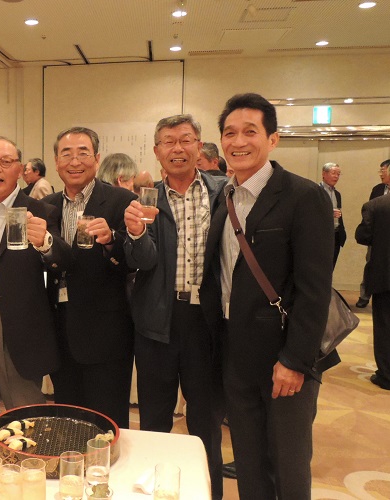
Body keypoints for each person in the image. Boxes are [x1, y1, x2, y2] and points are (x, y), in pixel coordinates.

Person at [199, 93, 333, 499]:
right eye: (230, 133)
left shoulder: (303, 196)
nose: (238, 142)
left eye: (250, 132)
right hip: (235, 354)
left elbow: (314, 289)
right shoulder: (225, 199)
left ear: (273, 139)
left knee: (288, 464)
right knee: (249, 460)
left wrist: (294, 360)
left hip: (283, 357)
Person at [123, 115, 226, 498]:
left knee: (206, 423)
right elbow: (141, 261)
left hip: (207, 322)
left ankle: (209, 493)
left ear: (200, 146)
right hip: (156, 322)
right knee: (154, 421)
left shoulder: (223, 193)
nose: (178, 148)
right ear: (156, 151)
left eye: (186, 140)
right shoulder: (145, 199)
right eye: (169, 141)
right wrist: (136, 233)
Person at [0, 136, 71, 415]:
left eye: (6, 162)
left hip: (17, 324)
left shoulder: (40, 210)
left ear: (20, 170)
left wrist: (44, 241)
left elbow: (62, 259)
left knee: (24, 412)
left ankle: (28, 447)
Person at [43, 127, 136, 428]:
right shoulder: (47, 206)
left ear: (97, 159)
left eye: (83, 153)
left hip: (106, 335)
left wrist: (111, 240)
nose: (75, 161)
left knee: (106, 424)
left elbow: (133, 262)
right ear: (56, 162)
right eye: (66, 154)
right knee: (67, 421)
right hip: (60, 333)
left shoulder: (121, 200)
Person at [356, 192, 390, 391]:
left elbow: (362, 236)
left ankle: (386, 375)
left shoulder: (375, 206)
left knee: (384, 325)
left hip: (384, 274)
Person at [356, 158, 390, 308]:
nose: (381, 174)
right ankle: (365, 295)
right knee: (372, 264)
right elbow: (369, 217)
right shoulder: (377, 189)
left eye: (383, 170)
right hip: (378, 239)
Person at [319, 162, 346, 268]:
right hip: (321, 235)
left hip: (336, 234)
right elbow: (311, 213)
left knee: (331, 266)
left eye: (338, 174)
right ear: (324, 174)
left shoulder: (337, 194)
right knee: (320, 266)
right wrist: (329, 214)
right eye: (333, 173)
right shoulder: (315, 191)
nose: (336, 176)